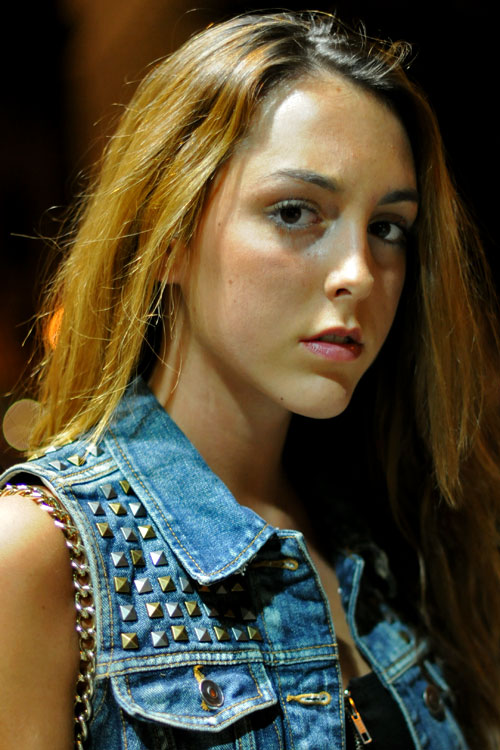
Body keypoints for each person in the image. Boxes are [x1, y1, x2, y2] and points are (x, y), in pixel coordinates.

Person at [1, 10, 499, 749]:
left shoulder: (397, 534)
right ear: (168, 236)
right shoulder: (44, 553)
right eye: (295, 212)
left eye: (387, 227)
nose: (360, 274)